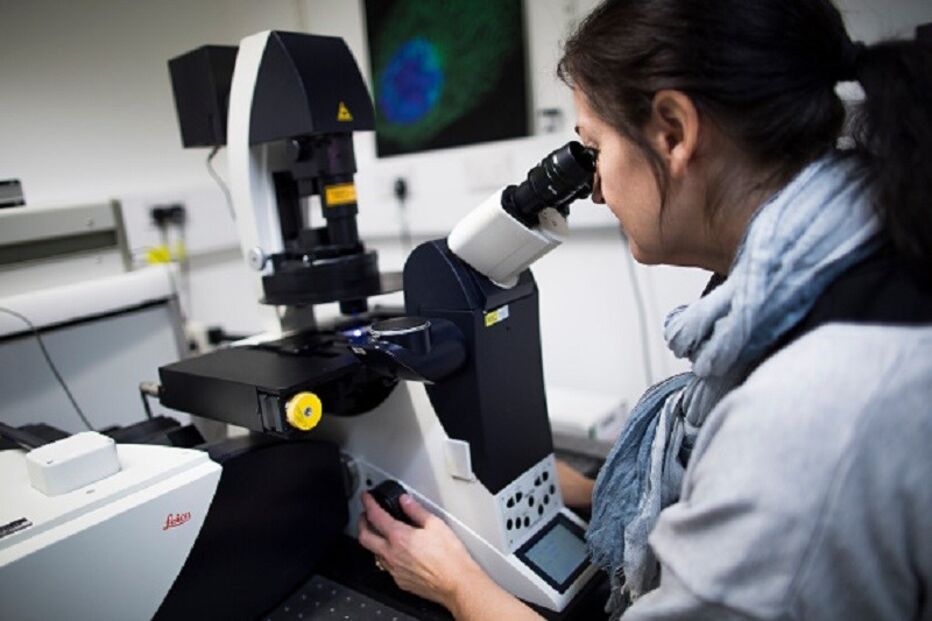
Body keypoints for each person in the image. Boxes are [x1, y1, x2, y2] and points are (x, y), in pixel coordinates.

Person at [358, 0, 932, 618]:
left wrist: (455, 583)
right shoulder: (856, 262)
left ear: (673, 132)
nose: (595, 188)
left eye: (594, 149)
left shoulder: (806, 414)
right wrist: (594, 487)